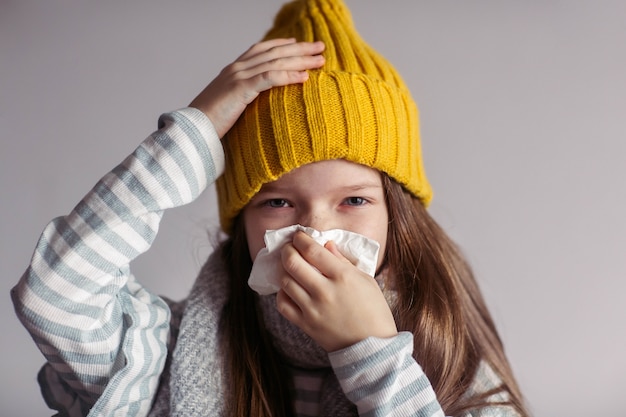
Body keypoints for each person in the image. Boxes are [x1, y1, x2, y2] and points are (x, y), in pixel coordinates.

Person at [11, 0, 530, 416]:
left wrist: (371, 353)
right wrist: (194, 133)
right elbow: (56, 293)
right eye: (278, 202)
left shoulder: (455, 369)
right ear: (243, 224)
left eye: (354, 200)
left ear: (400, 216)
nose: (315, 231)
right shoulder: (160, 356)